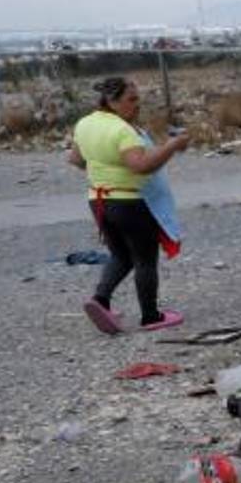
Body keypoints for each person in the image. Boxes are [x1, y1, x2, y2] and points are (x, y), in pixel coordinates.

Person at [68, 77, 191, 333]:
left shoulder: (85, 123)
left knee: (121, 255)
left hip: (98, 200)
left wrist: (104, 167)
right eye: (131, 100)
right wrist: (172, 146)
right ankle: (151, 316)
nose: (137, 105)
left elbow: (77, 159)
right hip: (129, 202)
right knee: (145, 258)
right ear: (112, 101)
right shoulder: (123, 130)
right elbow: (142, 166)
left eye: (138, 99)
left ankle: (100, 300)